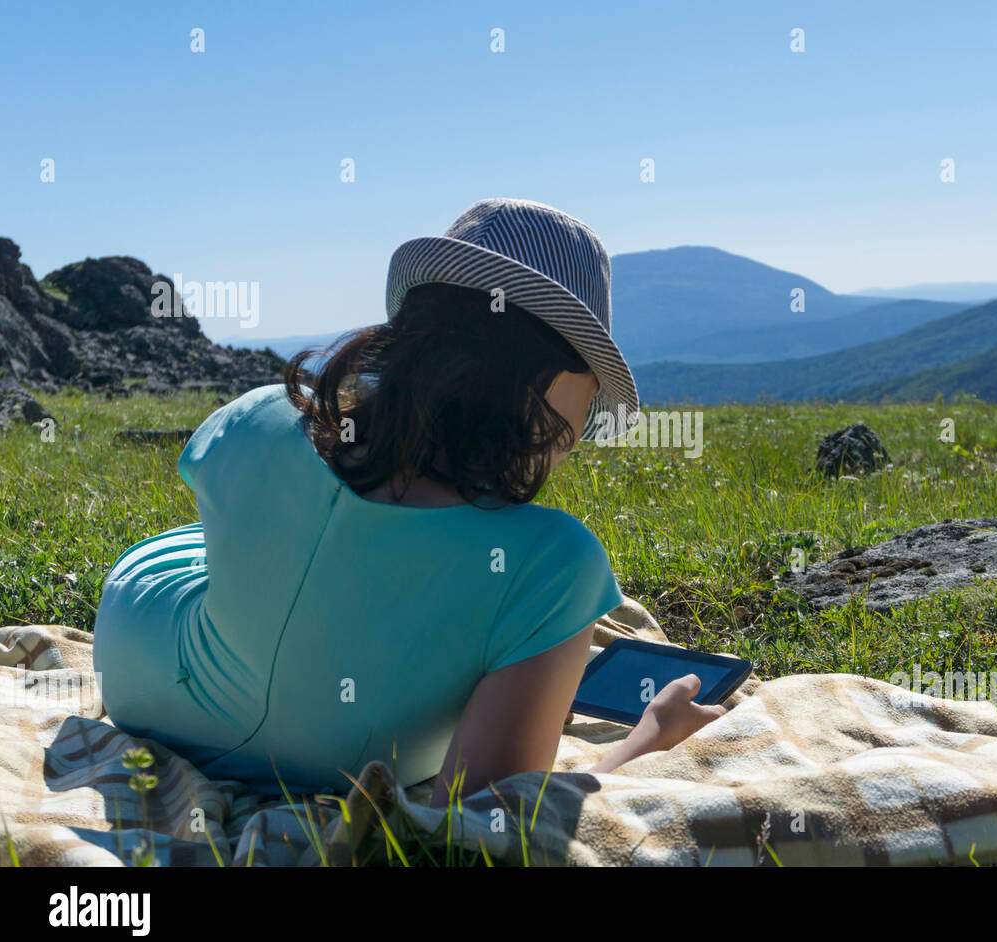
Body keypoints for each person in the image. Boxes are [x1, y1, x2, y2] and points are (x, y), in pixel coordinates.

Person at [92, 198, 726, 805]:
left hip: (135, 665)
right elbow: (486, 813)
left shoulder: (258, 415)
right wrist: (652, 738)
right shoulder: (557, 561)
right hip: (308, 754)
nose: (582, 431)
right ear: (549, 378)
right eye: (588, 399)